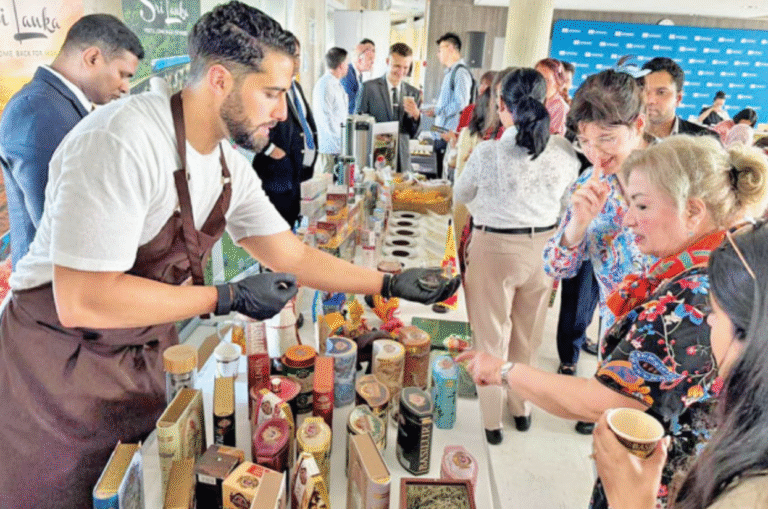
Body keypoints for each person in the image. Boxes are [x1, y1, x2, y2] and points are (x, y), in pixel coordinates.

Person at [0, 4, 459, 507]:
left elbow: (292, 254)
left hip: (136, 366)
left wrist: (387, 285)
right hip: (55, 378)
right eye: (271, 92)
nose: (282, 112)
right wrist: (226, 296)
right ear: (219, 79)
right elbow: (84, 300)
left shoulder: (225, 166)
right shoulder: (123, 141)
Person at [460, 134, 767, 508]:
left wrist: (502, 371)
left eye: (641, 206)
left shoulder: (697, 294)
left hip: (655, 483)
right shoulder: (700, 261)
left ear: (693, 211)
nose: (627, 218)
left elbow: (600, 400)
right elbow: (557, 262)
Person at [593, 218, 768, 509]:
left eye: (715, 311)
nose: (708, 320)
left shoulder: (753, 493)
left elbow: (596, 399)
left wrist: (632, 502)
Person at [454, 68, 580, 444]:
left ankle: (492, 421)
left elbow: (461, 194)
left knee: (490, 339)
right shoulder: (564, 152)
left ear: (501, 106)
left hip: (493, 249)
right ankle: (520, 409)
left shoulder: (488, 152)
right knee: (527, 337)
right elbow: (564, 204)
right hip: (543, 251)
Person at [0, 14, 143, 269]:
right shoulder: (37, 110)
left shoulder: (57, 106)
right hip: (51, 294)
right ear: (92, 58)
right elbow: (60, 228)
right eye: (123, 74)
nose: (125, 87)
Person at [252, 33, 317, 228]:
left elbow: (304, 122)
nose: (296, 61)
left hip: (299, 173)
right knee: (276, 231)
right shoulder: (265, 85)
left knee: (293, 227)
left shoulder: (295, 86)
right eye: (292, 55)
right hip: (277, 173)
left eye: (298, 56)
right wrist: (272, 150)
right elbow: (248, 125)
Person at [356, 42, 421, 173]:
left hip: (403, 163)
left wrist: (416, 116)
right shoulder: (368, 88)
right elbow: (359, 127)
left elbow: (413, 134)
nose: (401, 72)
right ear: (387, 61)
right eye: (397, 66)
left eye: (406, 67)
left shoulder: (413, 93)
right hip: (376, 158)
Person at [424, 32, 473, 179]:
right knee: (436, 174)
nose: (438, 53)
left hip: (449, 134)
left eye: (441, 49)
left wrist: (439, 111)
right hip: (441, 132)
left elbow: (461, 103)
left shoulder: (460, 73)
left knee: (443, 178)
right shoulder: (450, 73)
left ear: (451, 48)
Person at [640, 57, 717, 139]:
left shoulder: (704, 139)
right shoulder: (626, 136)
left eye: (661, 92)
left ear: (678, 98)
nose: (650, 100)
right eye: (644, 91)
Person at [313, 47, 349, 174]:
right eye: (347, 62)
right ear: (341, 65)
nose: (348, 65)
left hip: (339, 148)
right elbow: (326, 119)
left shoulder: (336, 84)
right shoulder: (325, 85)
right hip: (330, 151)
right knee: (327, 188)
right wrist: (339, 146)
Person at [535, 58, 569, 135]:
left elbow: (552, 140)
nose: (540, 84)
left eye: (546, 80)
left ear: (558, 83)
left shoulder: (560, 107)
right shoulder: (532, 99)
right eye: (537, 78)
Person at [340, 38, 375, 115]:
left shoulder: (358, 75)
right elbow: (352, 106)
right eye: (370, 59)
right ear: (359, 60)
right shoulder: (347, 74)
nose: (373, 63)